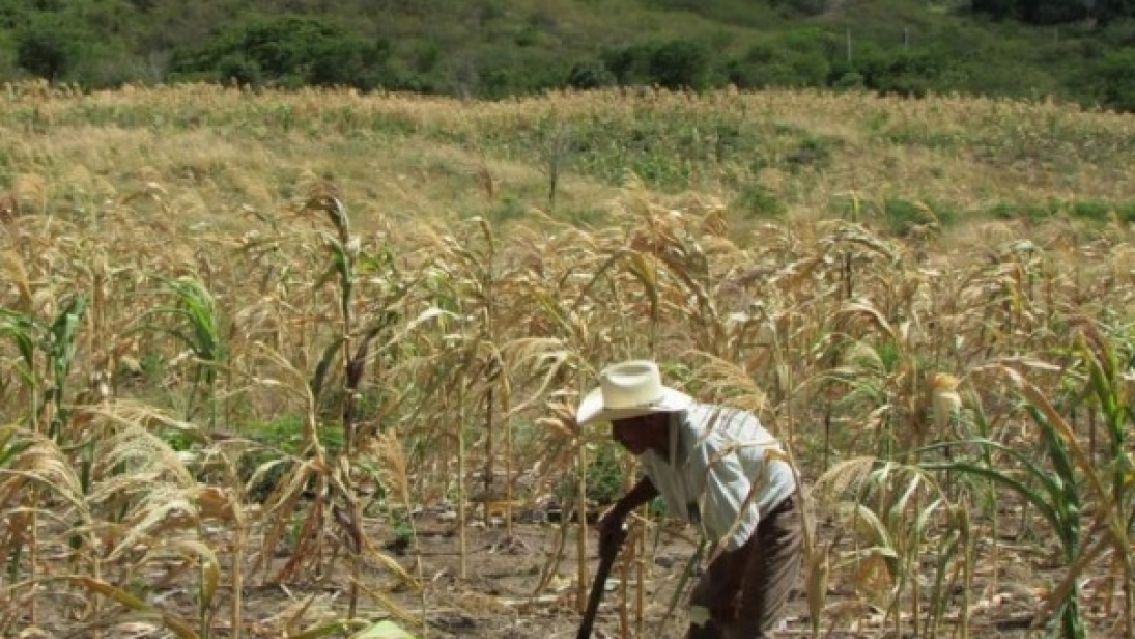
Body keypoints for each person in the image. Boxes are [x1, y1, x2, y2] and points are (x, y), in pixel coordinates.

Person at [576, 359, 802, 639]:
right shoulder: (653, 439)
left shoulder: (704, 446)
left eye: (622, 426)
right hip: (735, 522)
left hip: (774, 512)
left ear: (652, 417)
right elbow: (660, 475)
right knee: (704, 611)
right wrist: (620, 510)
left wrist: (732, 589)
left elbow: (743, 528)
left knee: (748, 624)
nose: (615, 436)